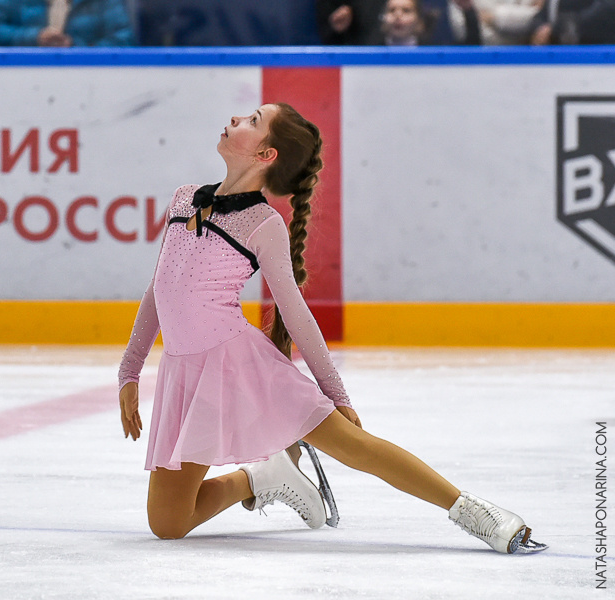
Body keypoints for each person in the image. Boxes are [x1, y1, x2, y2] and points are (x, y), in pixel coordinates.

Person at [118, 103, 546, 554]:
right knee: (167, 523)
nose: (237, 119)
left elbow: (296, 313)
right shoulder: (185, 197)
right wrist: (130, 371)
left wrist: (336, 394)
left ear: (267, 156)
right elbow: (158, 289)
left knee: (357, 448)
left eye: (253, 121)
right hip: (185, 374)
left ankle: (479, 514)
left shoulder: (263, 223)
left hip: (237, 364)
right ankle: (263, 477)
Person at [0, 0, 134, 47]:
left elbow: (123, 39)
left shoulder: (105, 3)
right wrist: (34, 38)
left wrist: (75, 47)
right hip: (22, 80)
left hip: (86, 83)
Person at [368, 0, 481, 45]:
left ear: (419, 21)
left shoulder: (432, 50)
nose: (398, 16)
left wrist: (469, 12)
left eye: (406, 11)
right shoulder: (370, 49)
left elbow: (473, 46)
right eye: (392, 10)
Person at [526, 0, 615, 44]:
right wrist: (538, 29)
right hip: (556, 61)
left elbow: (602, 14)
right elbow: (542, 16)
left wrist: (554, 29)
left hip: (596, 60)